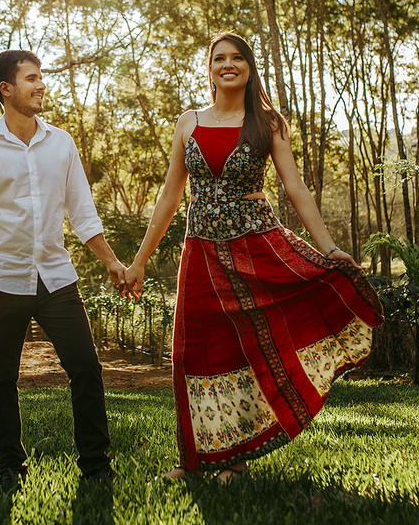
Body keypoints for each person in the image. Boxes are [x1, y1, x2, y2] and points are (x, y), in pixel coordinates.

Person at [123, 31, 383, 481]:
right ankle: (194, 462)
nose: (228, 64)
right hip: (201, 252)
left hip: (257, 250)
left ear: (248, 66)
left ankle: (235, 461)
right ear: (209, 69)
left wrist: (330, 248)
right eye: (219, 58)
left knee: (242, 354)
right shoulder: (188, 122)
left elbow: (295, 187)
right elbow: (169, 196)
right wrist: (140, 259)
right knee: (193, 355)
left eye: (237, 57)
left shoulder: (268, 122)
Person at [0, 49, 132, 492]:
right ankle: (10, 468)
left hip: (56, 278)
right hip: (1, 281)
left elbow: (82, 212)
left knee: (86, 368)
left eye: (41, 77)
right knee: (1, 379)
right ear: (6, 89)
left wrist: (112, 261)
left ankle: (95, 466)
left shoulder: (62, 143)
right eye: (31, 78)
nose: (41, 85)